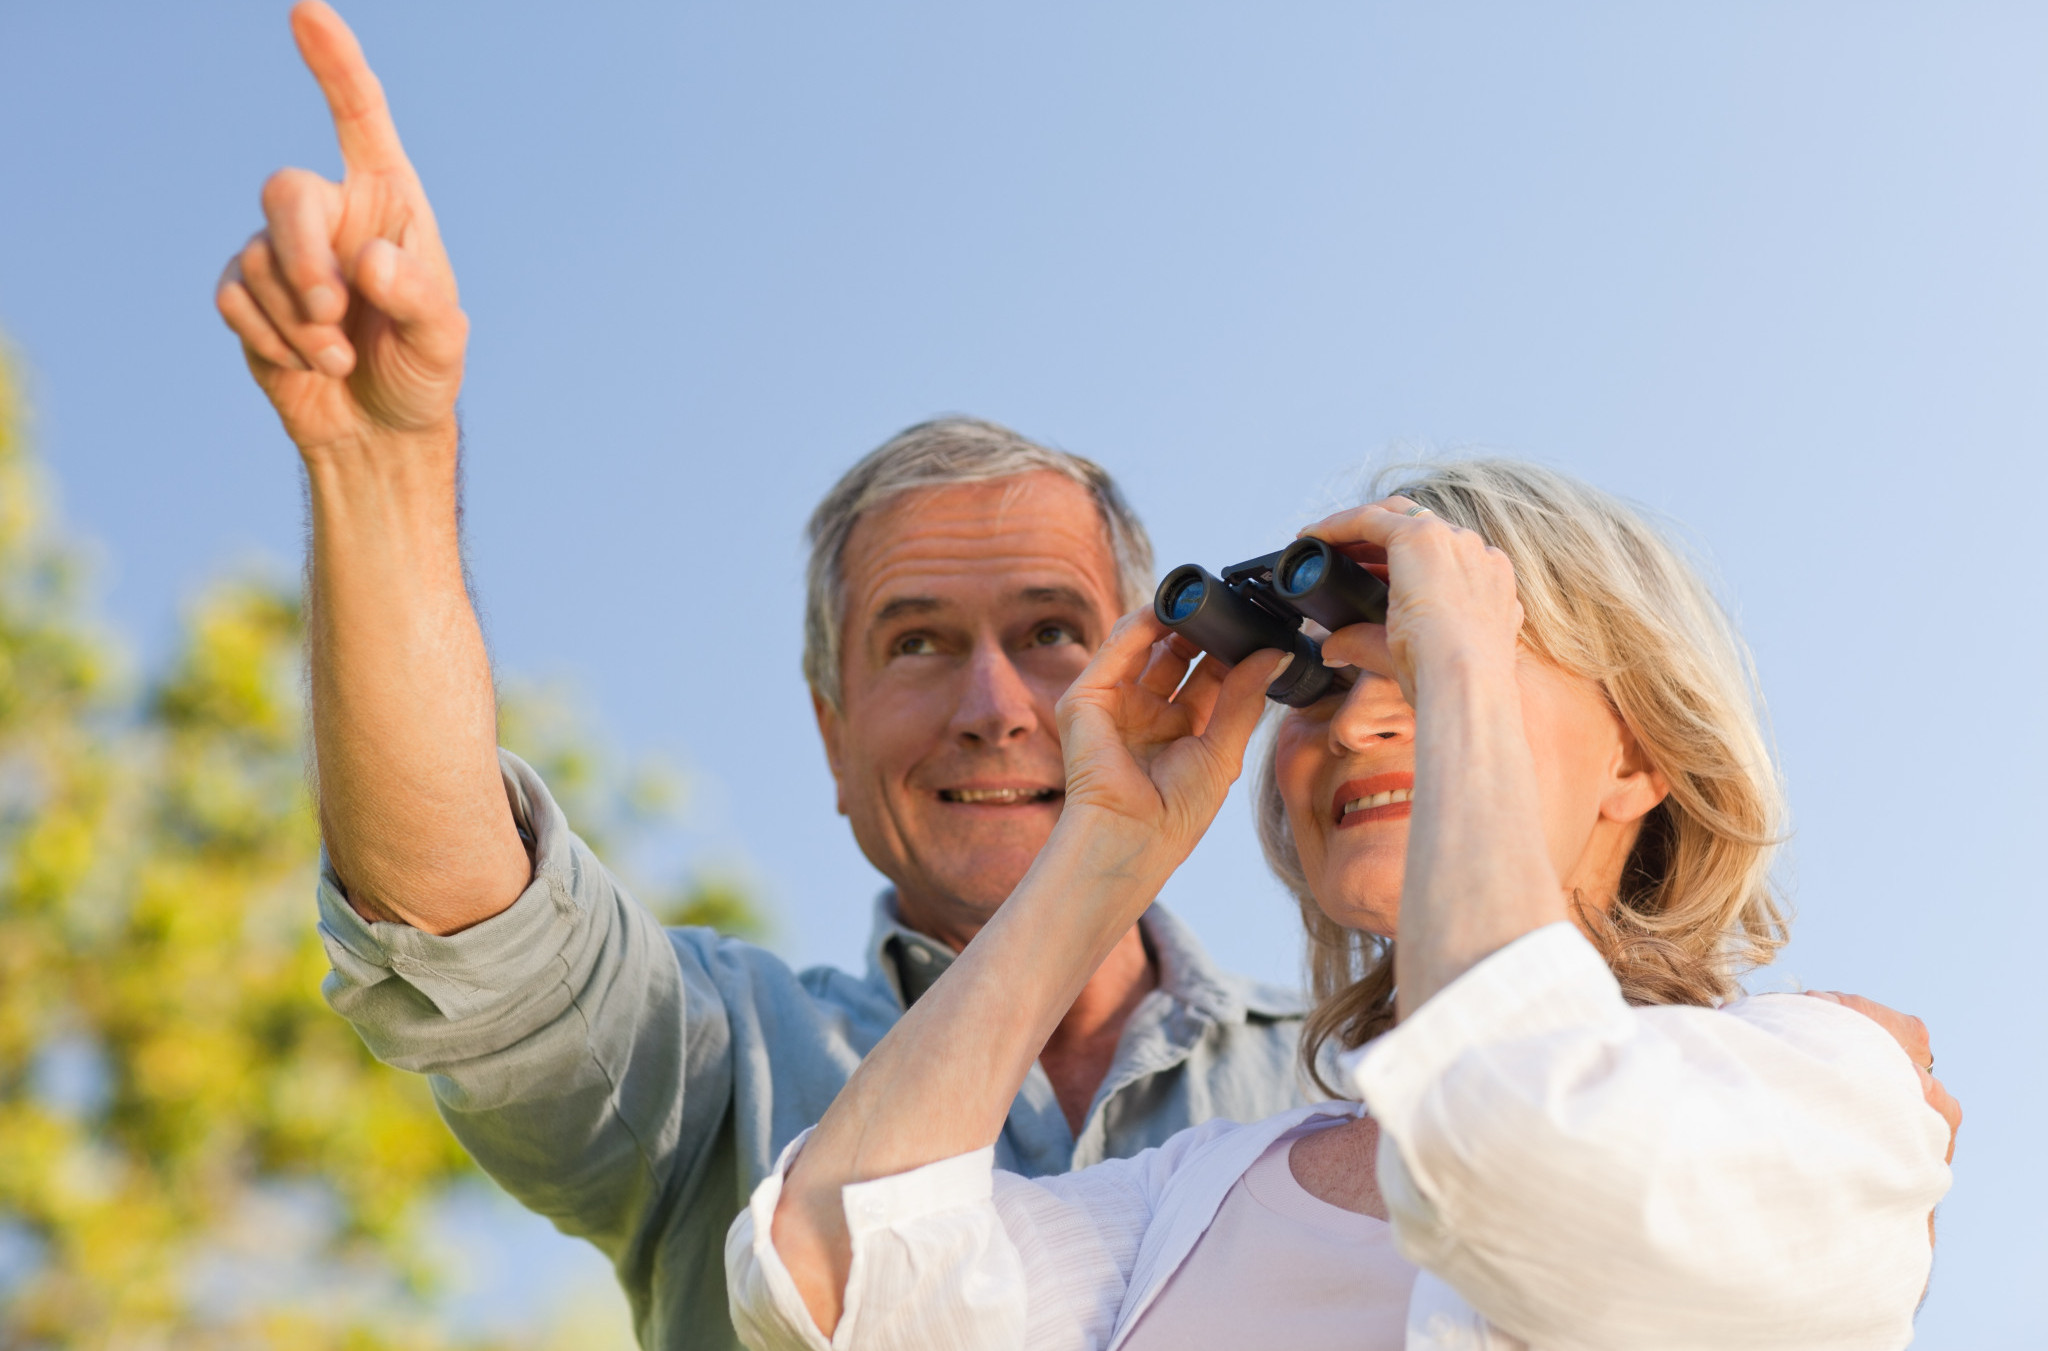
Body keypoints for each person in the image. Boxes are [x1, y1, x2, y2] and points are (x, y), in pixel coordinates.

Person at [211, 7, 1305, 1348]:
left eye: (1051, 632)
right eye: (915, 641)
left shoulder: (1351, 1075)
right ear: (831, 739)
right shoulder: (719, 1071)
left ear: (1158, 670)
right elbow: (456, 912)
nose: (994, 704)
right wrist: (385, 462)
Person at [731, 460, 1962, 1351]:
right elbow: (835, 1277)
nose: (1355, 719)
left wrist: (1459, 642)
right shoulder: (1193, 1192)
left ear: (1636, 762)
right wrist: (1105, 850)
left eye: (1419, 670)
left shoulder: (1819, 1083)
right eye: (1317, 688)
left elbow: (1525, 1152)